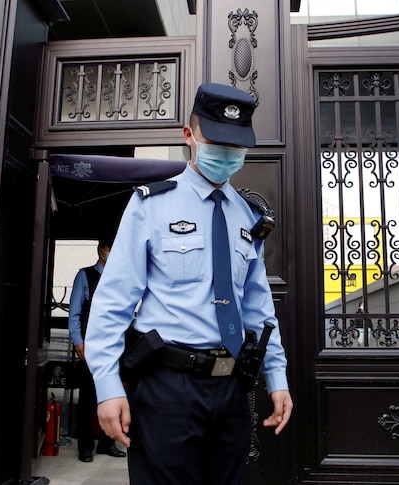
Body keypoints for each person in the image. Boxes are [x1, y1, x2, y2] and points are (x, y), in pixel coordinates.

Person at [84, 83, 293, 484]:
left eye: (237, 145)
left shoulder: (249, 217)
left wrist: (277, 377)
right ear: (189, 135)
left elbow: (257, 307)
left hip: (233, 386)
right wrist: (108, 385)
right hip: (167, 387)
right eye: (216, 141)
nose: (227, 153)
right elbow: (114, 301)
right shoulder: (150, 204)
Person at [68, 237, 127, 462]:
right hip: (91, 347)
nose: (113, 252)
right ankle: (85, 446)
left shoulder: (119, 278)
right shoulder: (85, 276)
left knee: (112, 394)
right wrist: (78, 341)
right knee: (88, 398)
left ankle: (107, 443)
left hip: (115, 346)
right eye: (111, 248)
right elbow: (74, 313)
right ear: (102, 250)